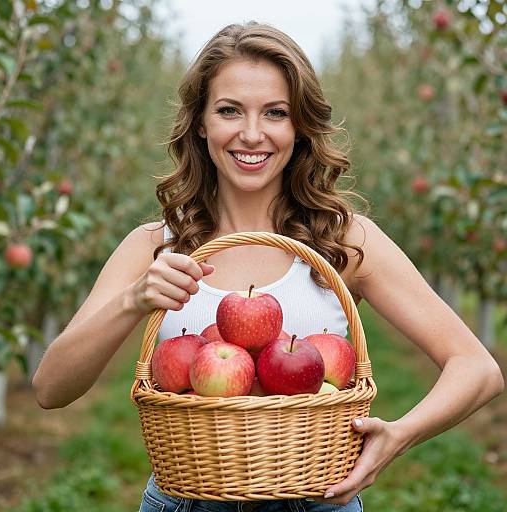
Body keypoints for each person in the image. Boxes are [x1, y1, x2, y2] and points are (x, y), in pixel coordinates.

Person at [32, 21, 504, 512]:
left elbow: (477, 368)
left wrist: (399, 436)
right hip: (186, 499)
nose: (252, 134)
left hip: (317, 499)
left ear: (299, 126)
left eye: (275, 113)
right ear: (200, 122)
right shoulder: (155, 248)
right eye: (229, 110)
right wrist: (132, 302)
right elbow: (50, 389)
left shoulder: (342, 241)